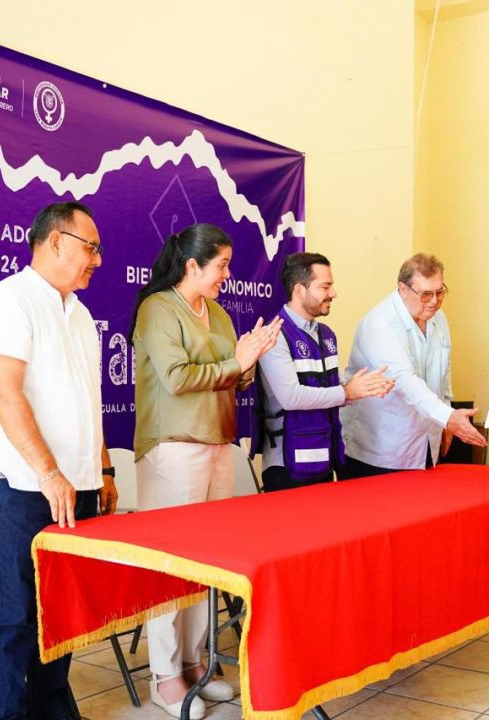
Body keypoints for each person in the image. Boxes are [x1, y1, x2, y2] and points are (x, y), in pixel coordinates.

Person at [0, 201, 118, 719]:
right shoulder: (7, 301)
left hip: (75, 488)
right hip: (18, 487)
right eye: (90, 246)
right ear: (55, 241)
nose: (97, 259)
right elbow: (6, 394)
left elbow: (87, 402)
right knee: (14, 616)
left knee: (62, 613)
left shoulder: (80, 317)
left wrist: (101, 469)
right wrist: (49, 471)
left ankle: (53, 709)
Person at [129, 224, 282, 719]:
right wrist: (234, 363)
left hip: (217, 444)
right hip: (172, 449)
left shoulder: (215, 311)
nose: (227, 275)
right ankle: (164, 675)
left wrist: (251, 358)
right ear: (192, 266)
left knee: (205, 566)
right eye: (220, 266)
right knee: (169, 568)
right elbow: (174, 380)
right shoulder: (157, 308)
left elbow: (231, 375)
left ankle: (195, 664)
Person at [339, 253, 486, 478]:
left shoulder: (438, 318)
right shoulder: (380, 323)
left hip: (425, 442)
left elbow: (443, 374)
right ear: (403, 289)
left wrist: (445, 421)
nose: (435, 301)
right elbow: (404, 380)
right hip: (380, 449)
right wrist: (448, 417)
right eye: (426, 294)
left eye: (440, 292)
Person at [257, 252, 394, 492]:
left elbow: (335, 390)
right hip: (287, 467)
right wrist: (347, 392)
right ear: (299, 290)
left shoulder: (326, 334)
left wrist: (364, 388)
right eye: (325, 286)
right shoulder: (274, 335)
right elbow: (291, 397)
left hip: (324, 457)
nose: (333, 293)